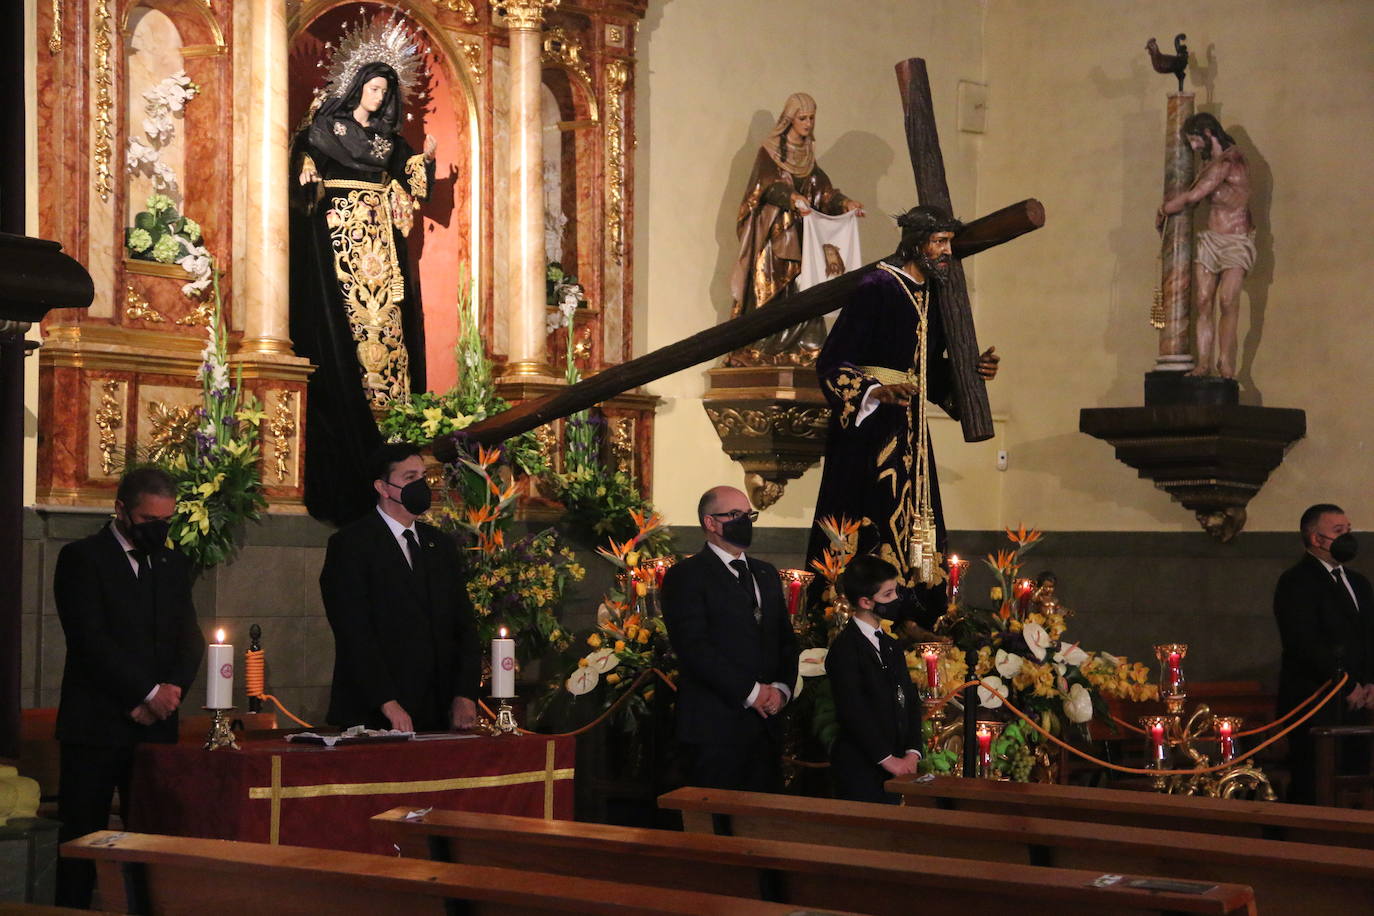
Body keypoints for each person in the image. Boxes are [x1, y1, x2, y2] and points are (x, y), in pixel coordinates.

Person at [805, 205, 999, 624]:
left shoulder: (936, 295)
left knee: (918, 518)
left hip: (910, 427)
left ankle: (915, 618)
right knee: (871, 512)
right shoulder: (878, 285)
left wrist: (973, 370)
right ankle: (852, 616)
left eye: (949, 242)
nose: (947, 251)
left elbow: (933, 372)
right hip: (870, 428)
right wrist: (877, 390)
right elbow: (834, 360)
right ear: (915, 242)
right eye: (939, 242)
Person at [290, 15, 438, 525]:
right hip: (339, 228)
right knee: (345, 318)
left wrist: (425, 164)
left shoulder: (385, 142)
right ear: (356, 85)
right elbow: (303, 153)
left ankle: (385, 407)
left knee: (386, 320)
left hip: (377, 237)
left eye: (384, 90)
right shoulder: (328, 127)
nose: (377, 97)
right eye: (372, 87)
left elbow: (409, 176)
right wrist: (305, 165)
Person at [53, 467, 205, 908]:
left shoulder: (173, 564)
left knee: (149, 838)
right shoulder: (82, 558)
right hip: (95, 726)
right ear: (120, 510)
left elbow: (189, 637)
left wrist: (172, 689)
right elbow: (90, 640)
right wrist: (145, 694)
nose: (157, 531)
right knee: (83, 839)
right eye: (147, 522)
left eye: (165, 522)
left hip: (155, 729)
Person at [321, 442, 480, 733]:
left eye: (423, 476)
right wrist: (387, 702)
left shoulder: (440, 545)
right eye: (410, 478)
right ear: (383, 488)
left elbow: (464, 626)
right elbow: (354, 632)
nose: (421, 485)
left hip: (438, 709)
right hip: (376, 714)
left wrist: (465, 694)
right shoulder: (352, 545)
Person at [662, 486, 799, 793]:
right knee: (718, 825)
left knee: (764, 823)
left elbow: (785, 641)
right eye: (735, 515)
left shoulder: (765, 573)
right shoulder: (687, 576)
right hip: (715, 727)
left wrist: (780, 689)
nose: (745, 522)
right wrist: (752, 693)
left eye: (748, 514)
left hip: (766, 727)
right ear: (710, 523)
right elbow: (694, 648)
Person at [726, 92, 863, 366]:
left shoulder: (807, 157)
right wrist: (790, 197)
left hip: (804, 239)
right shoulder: (769, 152)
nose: (808, 123)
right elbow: (762, 188)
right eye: (803, 118)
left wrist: (845, 203)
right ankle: (761, 347)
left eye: (812, 118)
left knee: (806, 289)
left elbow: (823, 192)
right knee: (771, 291)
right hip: (775, 237)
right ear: (789, 120)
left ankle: (806, 347)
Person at [1274, 503, 1374, 803]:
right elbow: (1303, 643)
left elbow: (1368, 636)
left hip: (1358, 702)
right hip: (1315, 698)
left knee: (1354, 775)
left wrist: (1369, 682)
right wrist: (1345, 683)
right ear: (1316, 539)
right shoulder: (1296, 581)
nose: (1347, 537)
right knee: (1313, 780)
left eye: (1349, 531)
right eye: (1338, 531)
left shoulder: (1358, 582)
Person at [1155, 112, 1253, 380]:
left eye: (1195, 141)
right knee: (1203, 301)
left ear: (1208, 133)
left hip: (1235, 240)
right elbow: (1196, 197)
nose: (1194, 147)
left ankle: (1226, 363)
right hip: (1210, 240)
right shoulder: (1209, 164)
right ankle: (1203, 364)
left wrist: (1164, 208)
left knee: (1228, 300)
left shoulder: (1230, 160)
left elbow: (1194, 196)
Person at [827, 555, 923, 803]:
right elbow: (853, 711)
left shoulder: (891, 645)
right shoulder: (845, 648)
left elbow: (910, 700)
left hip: (898, 766)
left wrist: (912, 752)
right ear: (866, 602)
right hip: (862, 770)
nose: (896, 600)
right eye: (888, 594)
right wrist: (888, 760)